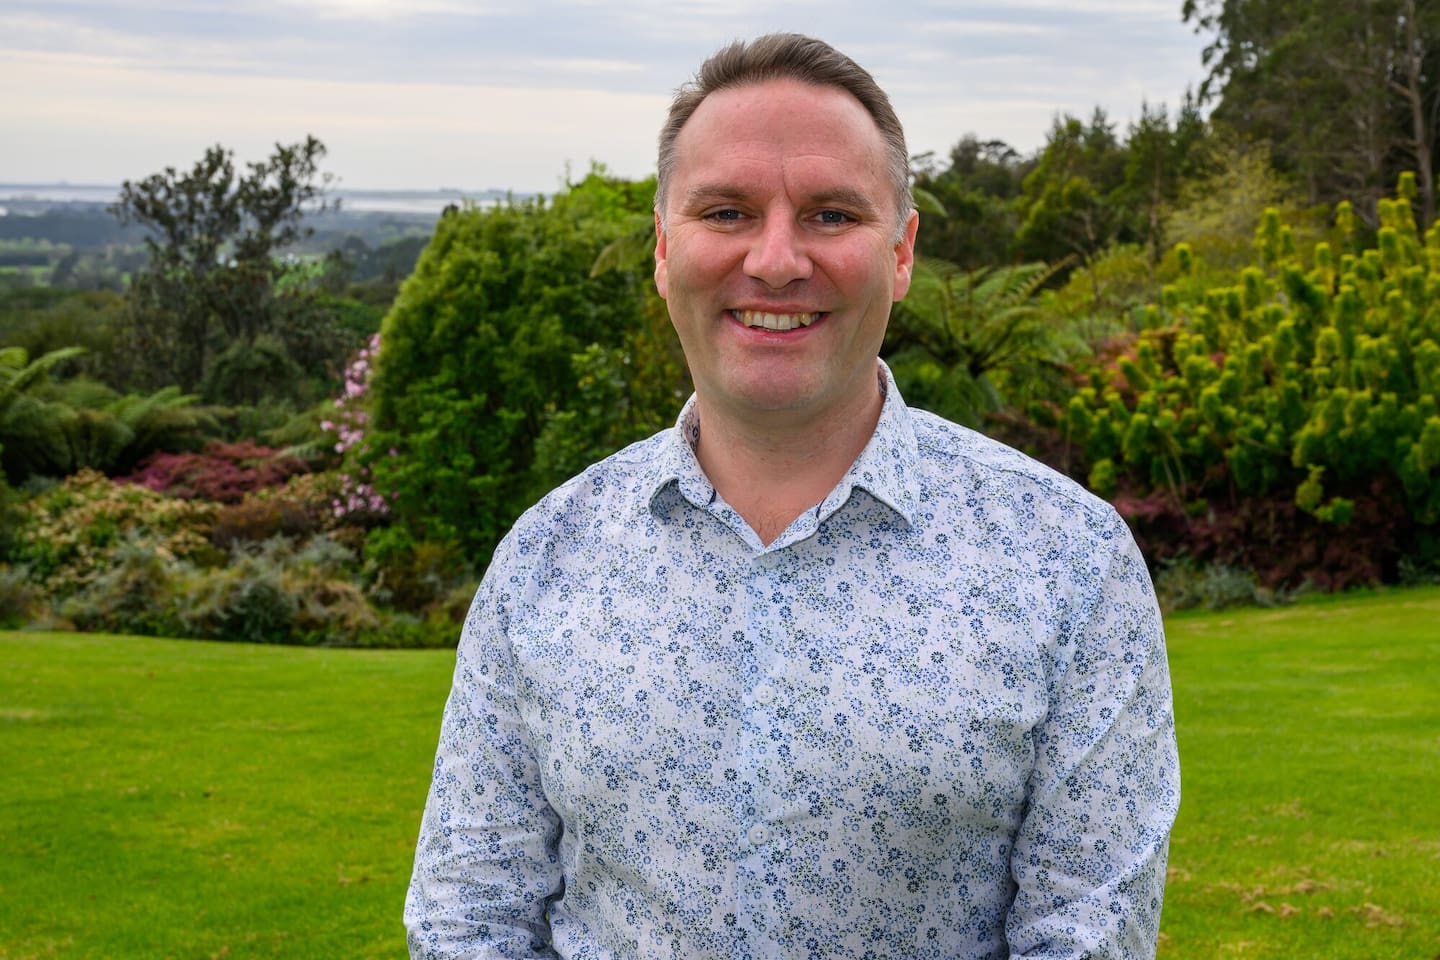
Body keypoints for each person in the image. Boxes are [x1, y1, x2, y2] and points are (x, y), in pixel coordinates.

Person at [405, 33, 1179, 959]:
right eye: (727, 212)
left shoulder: (1069, 561)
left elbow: (1088, 934)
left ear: (900, 253)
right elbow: (469, 918)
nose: (775, 260)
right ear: (663, 249)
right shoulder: (544, 556)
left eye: (830, 214)